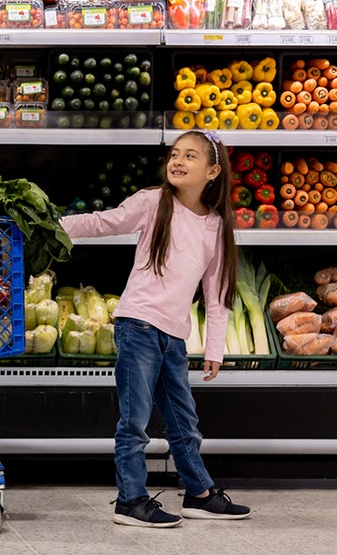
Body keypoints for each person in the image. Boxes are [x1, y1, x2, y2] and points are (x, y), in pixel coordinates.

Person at [60, 129, 252, 528]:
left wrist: (215, 347)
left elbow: (217, 294)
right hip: (138, 326)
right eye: (174, 154)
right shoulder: (153, 202)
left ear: (213, 171)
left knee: (184, 421)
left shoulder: (216, 225)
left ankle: (199, 494)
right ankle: (130, 500)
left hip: (175, 335)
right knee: (134, 421)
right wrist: (51, 225)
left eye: (190, 156)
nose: (178, 161)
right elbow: (102, 223)